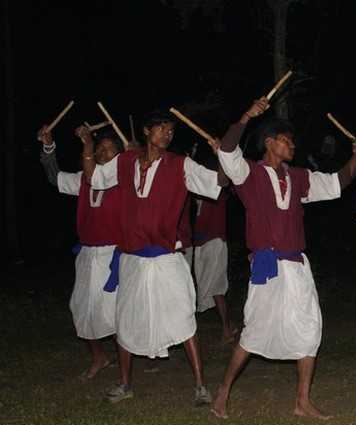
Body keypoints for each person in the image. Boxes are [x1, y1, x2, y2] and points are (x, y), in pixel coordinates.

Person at [211, 96, 356, 419]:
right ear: (269, 143)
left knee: (310, 329)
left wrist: (355, 158)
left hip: (297, 266)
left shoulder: (298, 178)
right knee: (254, 332)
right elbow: (227, 152)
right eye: (286, 140)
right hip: (267, 267)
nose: (292, 146)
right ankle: (222, 393)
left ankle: (302, 401)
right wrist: (245, 115)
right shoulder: (248, 175)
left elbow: (337, 183)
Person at [81, 110, 225, 405]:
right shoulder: (124, 162)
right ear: (147, 131)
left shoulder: (180, 165)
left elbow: (218, 184)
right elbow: (93, 177)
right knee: (126, 319)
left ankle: (200, 386)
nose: (167, 134)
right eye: (161, 128)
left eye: (171, 130)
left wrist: (225, 156)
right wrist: (86, 142)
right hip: (132, 258)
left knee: (183, 316)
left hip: (167, 258)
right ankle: (125, 384)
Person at [37, 124, 123, 381]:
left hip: (115, 255)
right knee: (81, 308)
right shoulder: (83, 180)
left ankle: (125, 370)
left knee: (115, 312)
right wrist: (48, 146)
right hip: (87, 254)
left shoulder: (126, 179)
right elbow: (54, 177)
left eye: (110, 150)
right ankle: (100, 356)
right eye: (100, 150)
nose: (104, 154)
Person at [189, 188, 238, 342]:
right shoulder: (200, 198)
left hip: (214, 242)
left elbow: (226, 187)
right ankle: (228, 326)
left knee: (216, 287)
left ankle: (226, 329)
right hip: (202, 244)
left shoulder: (215, 193)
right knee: (209, 288)